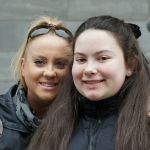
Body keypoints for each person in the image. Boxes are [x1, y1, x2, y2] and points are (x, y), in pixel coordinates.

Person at [27, 15, 150, 150]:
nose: (89, 69)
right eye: (81, 59)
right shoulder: (51, 128)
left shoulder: (144, 125)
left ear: (130, 65)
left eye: (103, 58)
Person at [0, 15, 73, 150]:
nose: (50, 72)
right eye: (39, 62)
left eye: (61, 64)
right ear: (23, 67)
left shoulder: (84, 121)